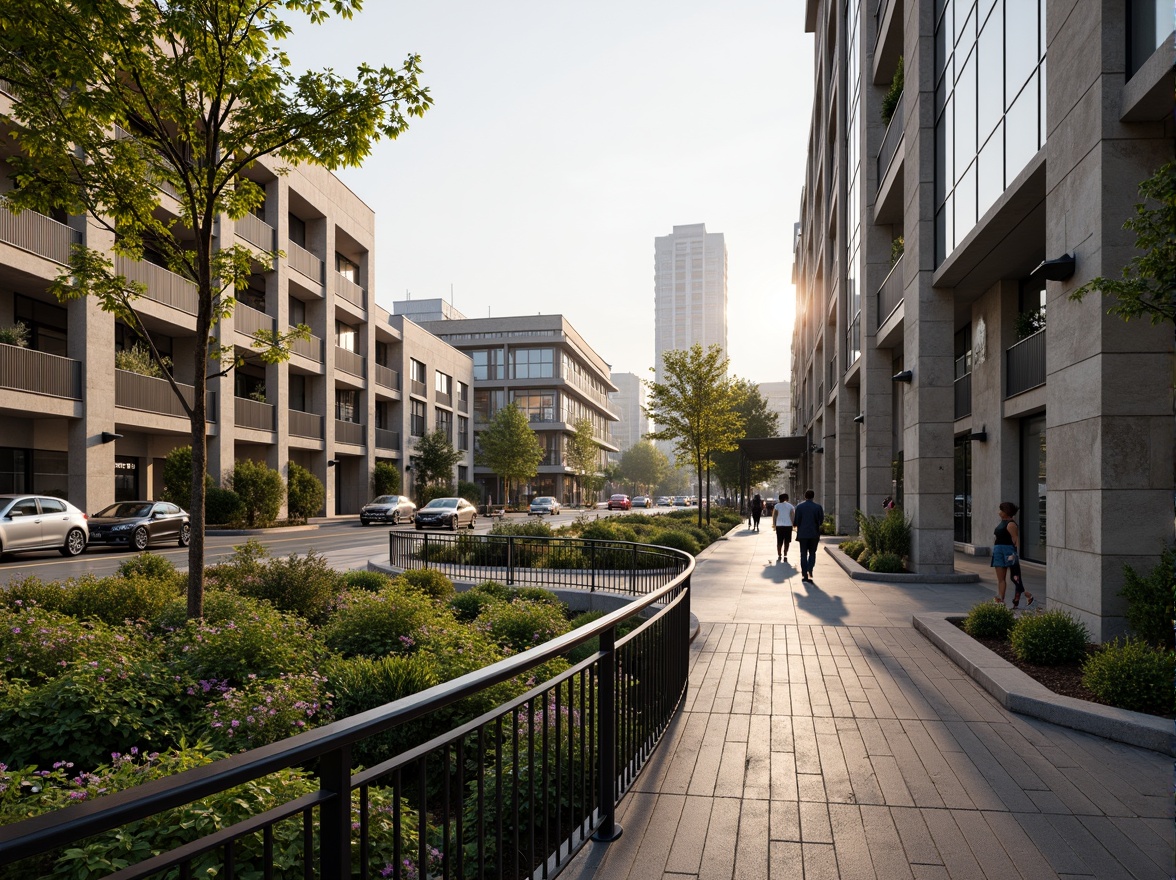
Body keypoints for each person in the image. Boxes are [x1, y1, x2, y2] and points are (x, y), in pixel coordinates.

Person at [992, 501, 1035, 608]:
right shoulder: (1002, 522)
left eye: (1001, 510)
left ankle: (1028, 595)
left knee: (1014, 577)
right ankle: (1001, 600)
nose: (999, 512)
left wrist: (1014, 556)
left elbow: (1016, 540)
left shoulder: (1011, 524)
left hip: (1008, 551)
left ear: (1006, 512)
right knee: (1001, 579)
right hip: (998, 551)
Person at [793, 489, 824, 582]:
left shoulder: (799, 507)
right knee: (812, 553)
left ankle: (804, 572)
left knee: (803, 554)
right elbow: (821, 520)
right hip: (814, 533)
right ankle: (810, 568)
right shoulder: (818, 507)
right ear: (813, 496)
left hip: (802, 534)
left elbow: (796, 521)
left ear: (805, 496)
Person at [772, 492, 795, 562]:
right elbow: (793, 516)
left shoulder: (777, 506)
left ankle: (779, 554)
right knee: (787, 541)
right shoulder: (790, 506)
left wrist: (774, 524)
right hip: (788, 526)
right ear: (786, 498)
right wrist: (793, 524)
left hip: (779, 526)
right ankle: (785, 553)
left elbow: (774, 516)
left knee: (779, 541)